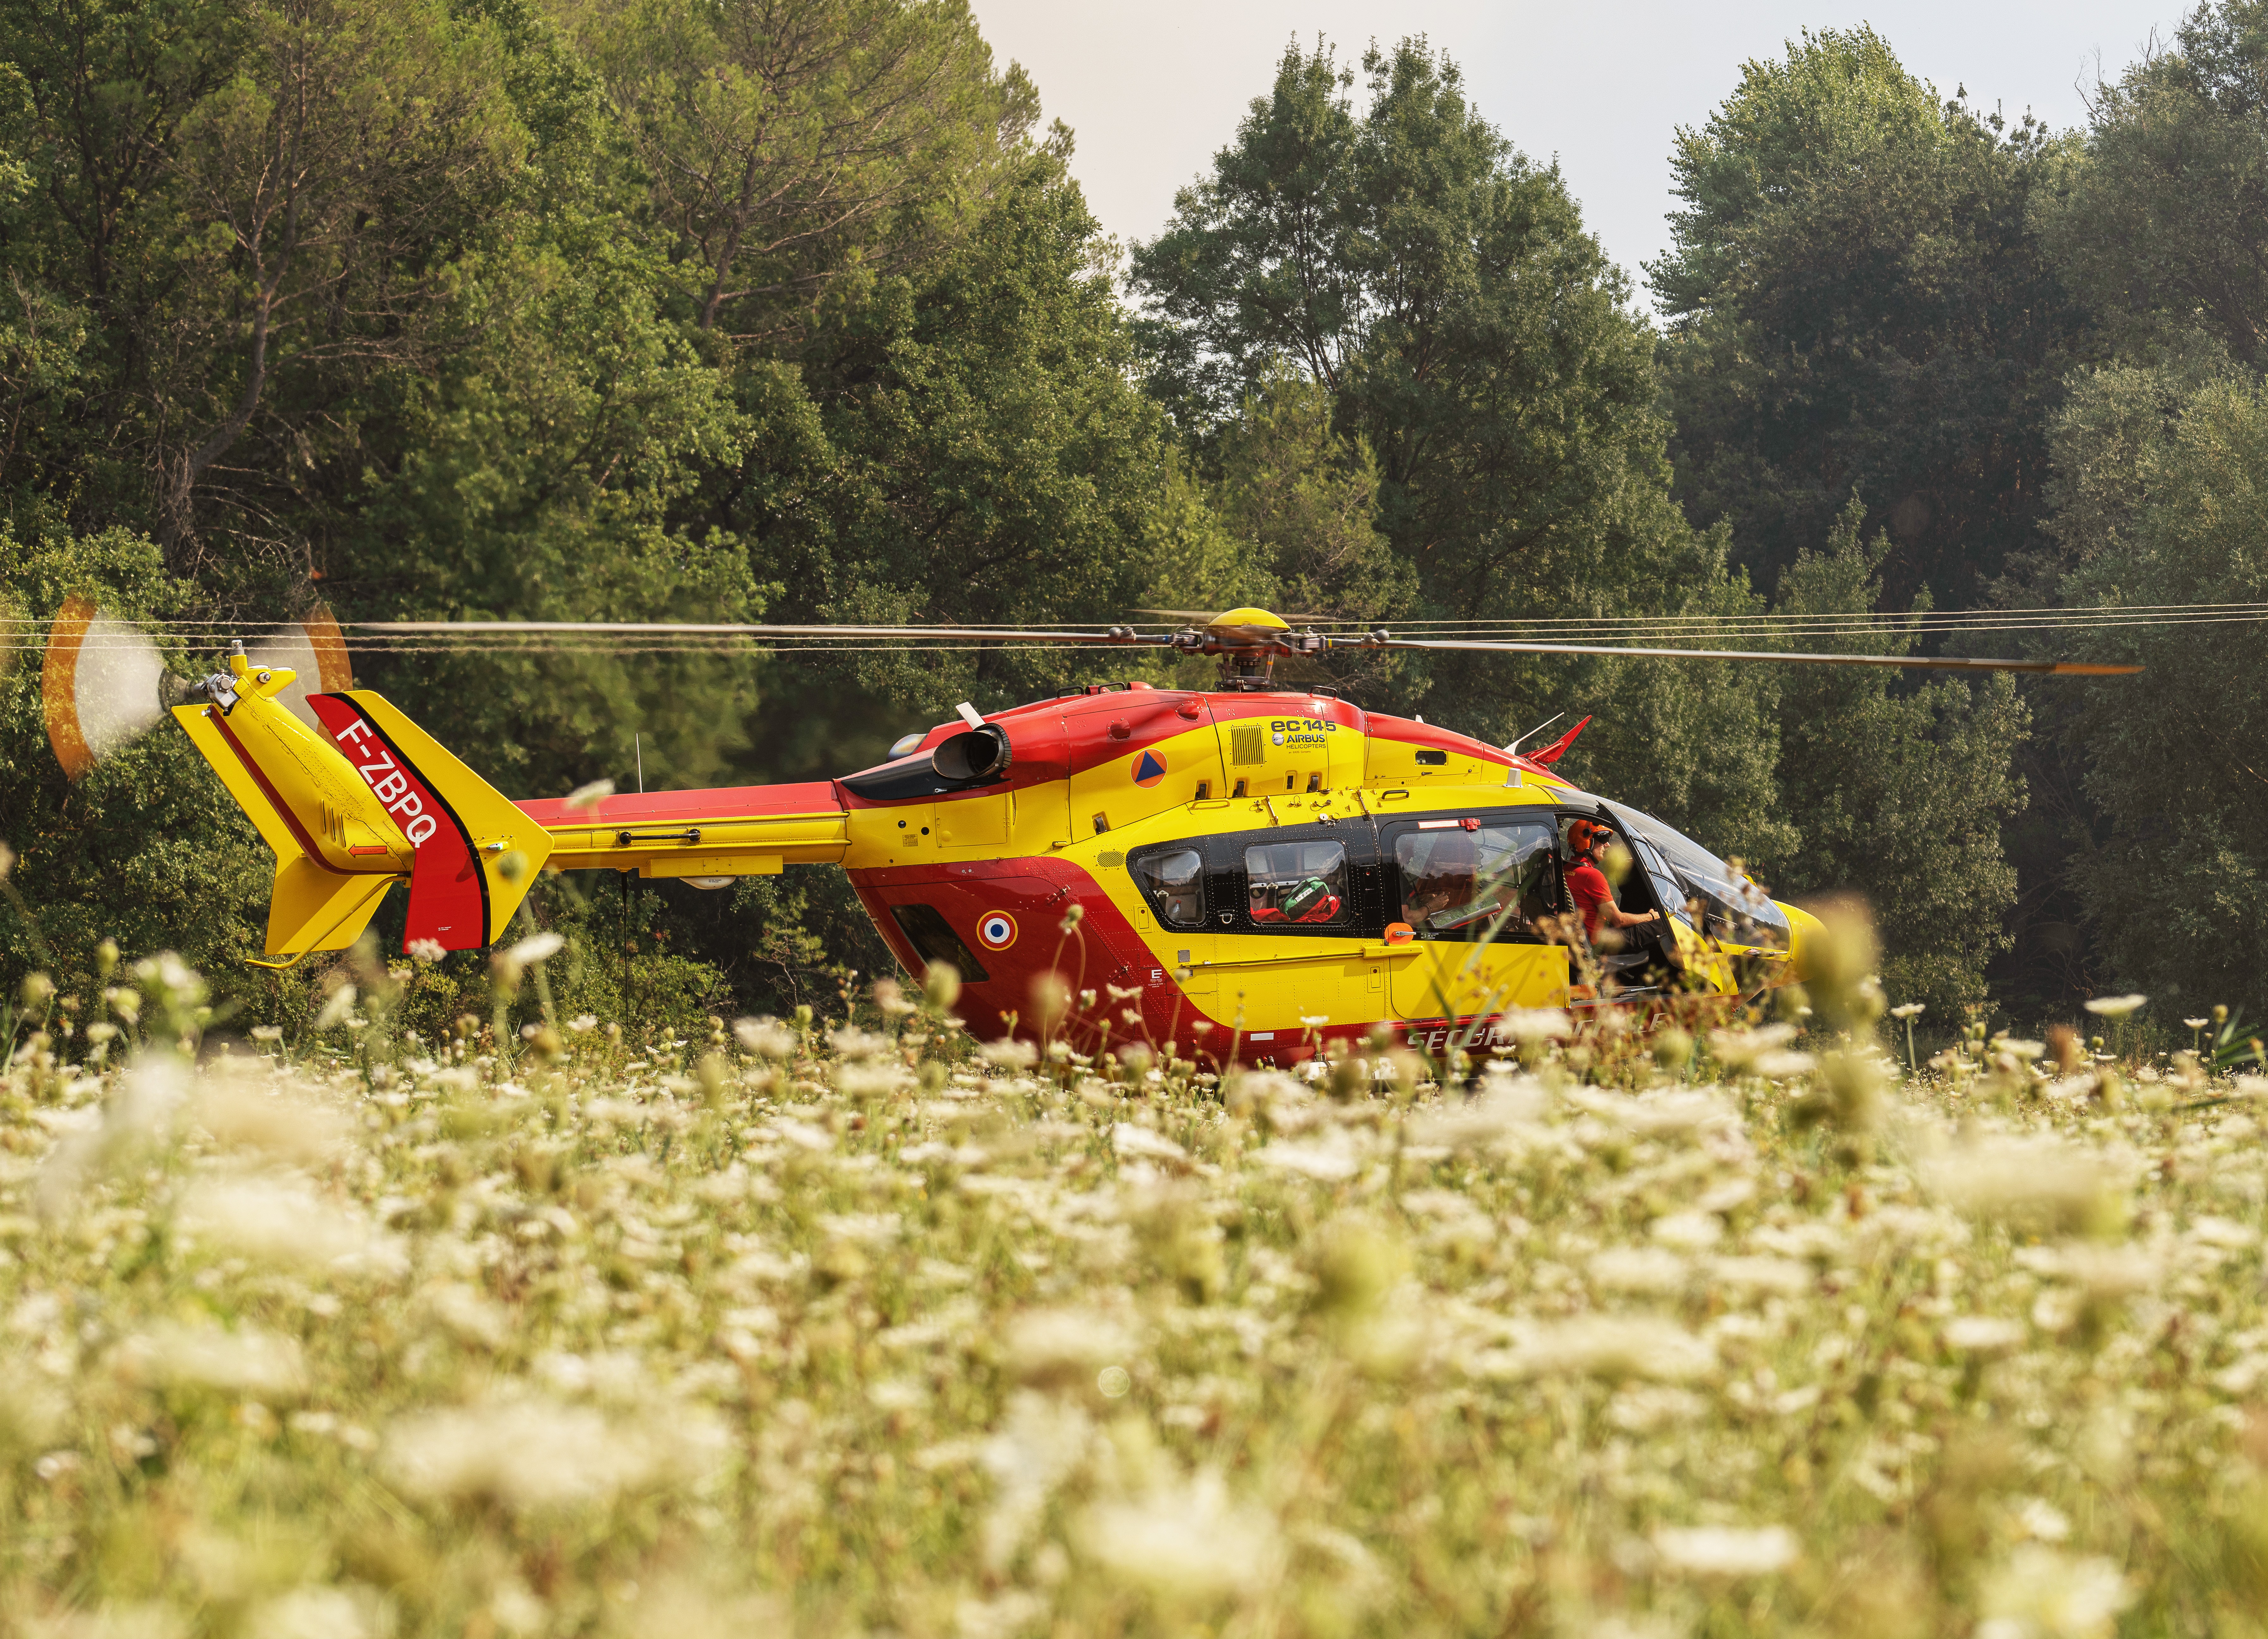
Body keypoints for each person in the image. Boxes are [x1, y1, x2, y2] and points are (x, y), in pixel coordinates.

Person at [1565, 819, 1660, 944]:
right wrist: (1652, 917)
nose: (1608, 845)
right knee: (1661, 926)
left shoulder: (1565, 869)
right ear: (1587, 841)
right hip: (1601, 943)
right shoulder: (1591, 876)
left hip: (1583, 938)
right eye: (1603, 839)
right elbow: (1619, 921)